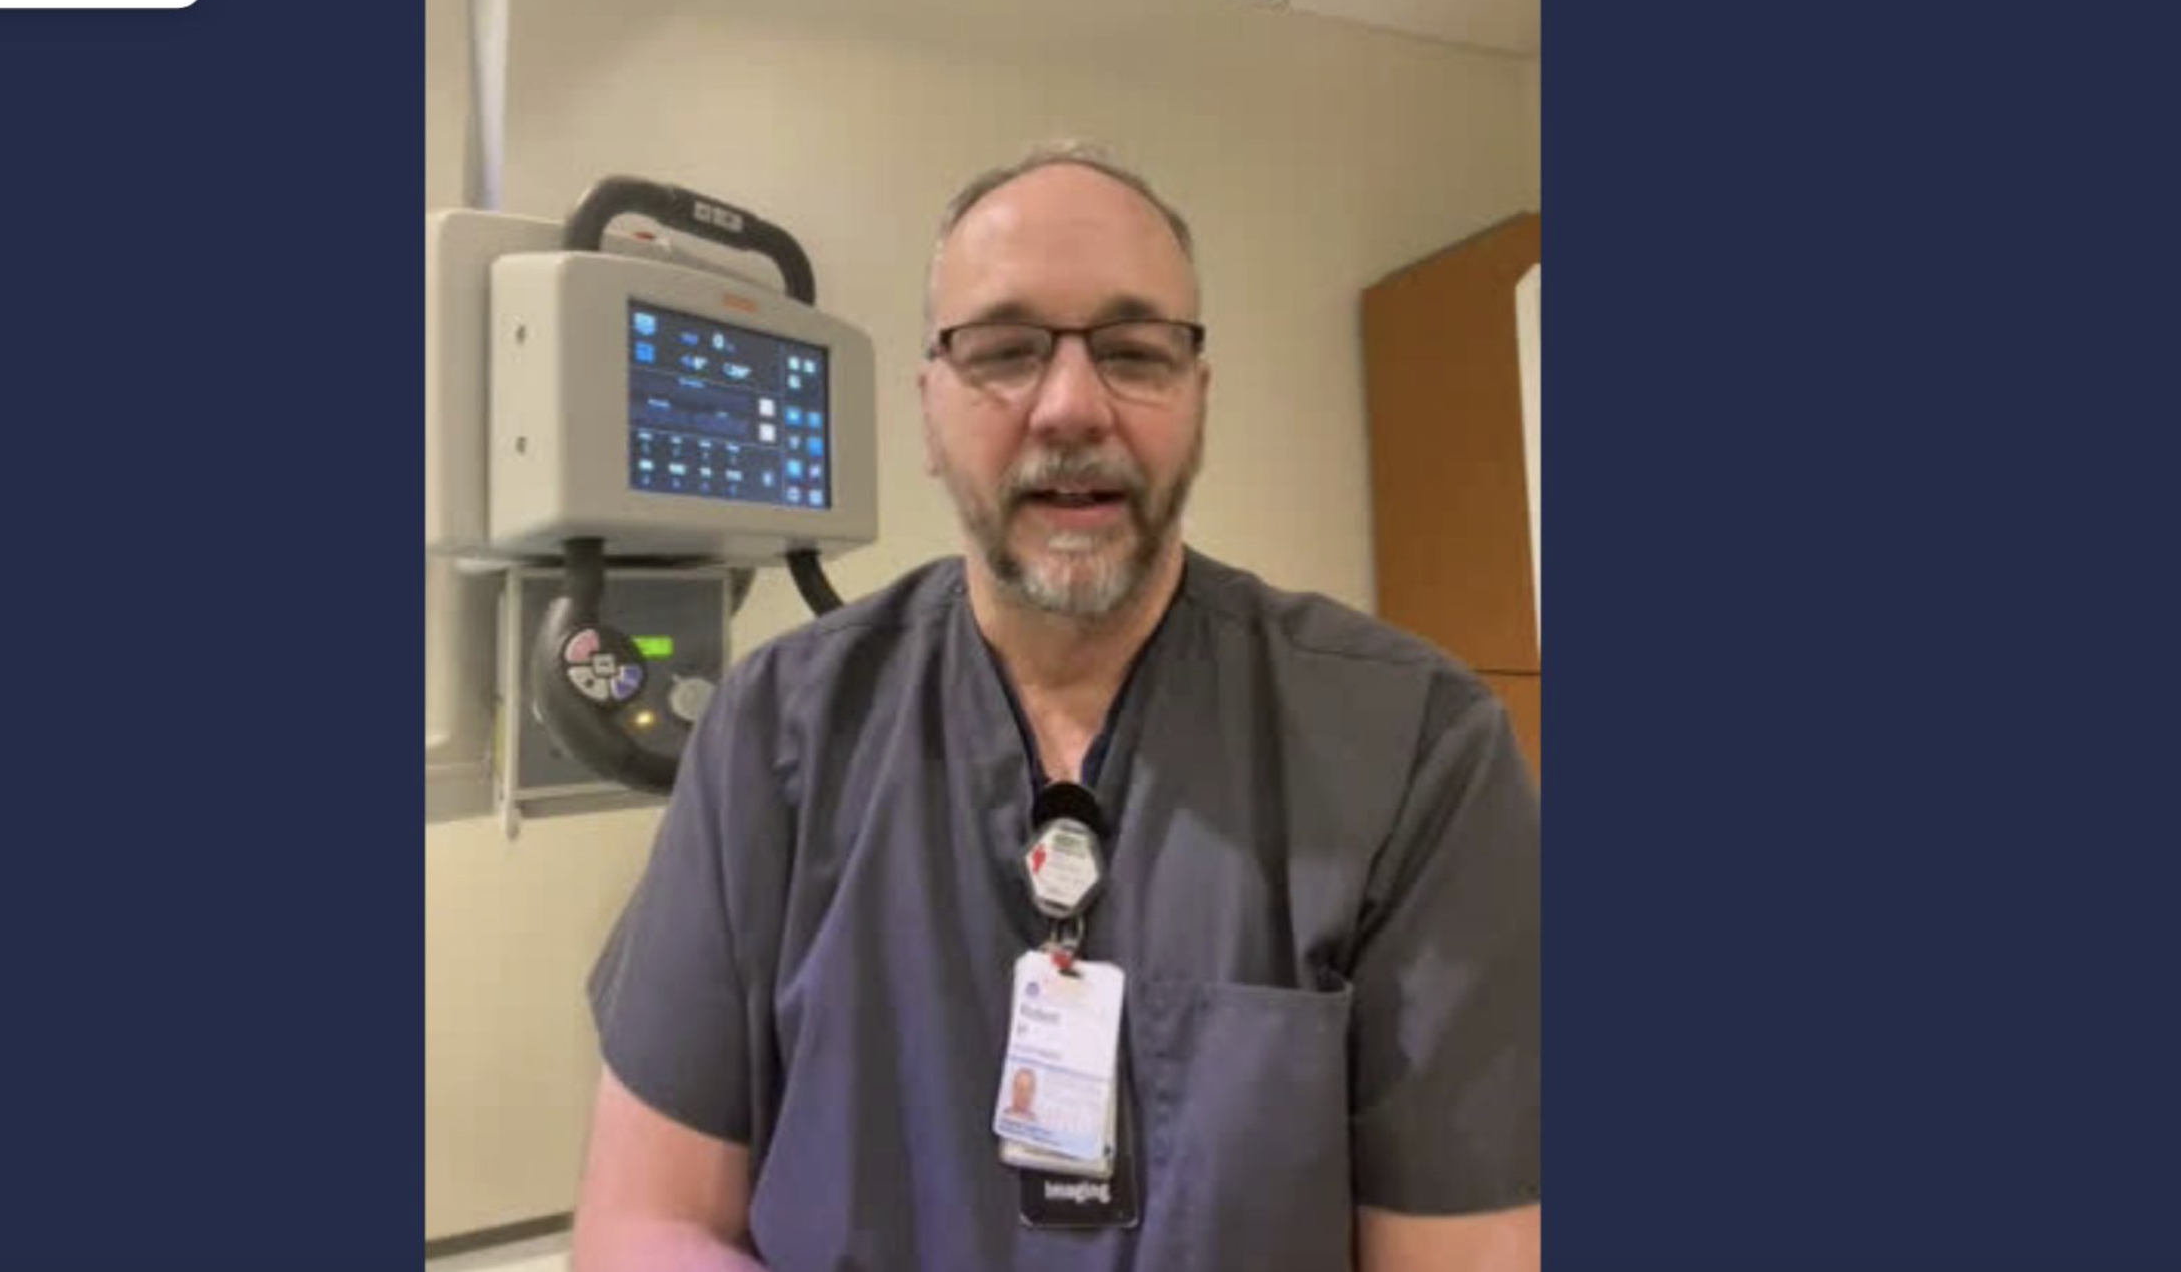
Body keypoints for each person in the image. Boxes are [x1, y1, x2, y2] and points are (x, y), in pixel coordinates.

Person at [575, 142, 1541, 1272]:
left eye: (1135, 352)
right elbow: (649, 1222)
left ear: (1198, 399)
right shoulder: (771, 735)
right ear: (930, 412)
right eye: (1003, 351)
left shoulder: (1415, 753)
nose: (1072, 405)